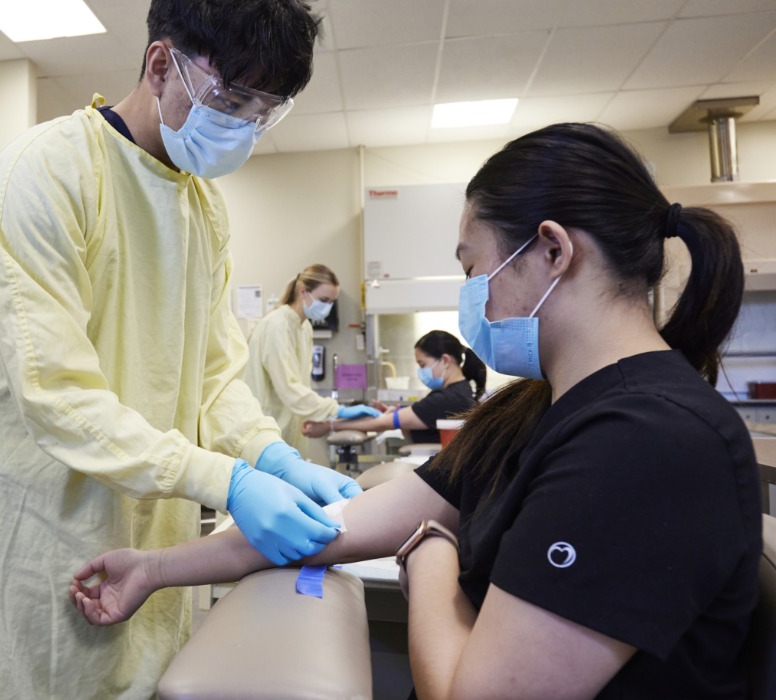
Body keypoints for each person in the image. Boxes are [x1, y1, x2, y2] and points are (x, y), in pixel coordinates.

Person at [71, 123, 761, 699]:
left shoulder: (648, 443)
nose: (471, 297)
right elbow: (334, 527)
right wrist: (157, 568)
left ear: (552, 250)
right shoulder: (530, 410)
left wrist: (432, 554)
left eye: (471, 269)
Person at [0, 1, 361, 697]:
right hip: (38, 517)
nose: (243, 128)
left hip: (155, 510)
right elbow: (56, 394)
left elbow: (214, 376)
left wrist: (267, 454)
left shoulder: (202, 206)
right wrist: (228, 483)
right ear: (161, 64)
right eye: (232, 99)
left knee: (148, 673)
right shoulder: (44, 173)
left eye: (263, 113)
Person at [244, 264, 379, 453]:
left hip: (287, 427)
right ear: (302, 292)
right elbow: (289, 388)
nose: (328, 307)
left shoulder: (304, 327)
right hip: (266, 428)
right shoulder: (277, 325)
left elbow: (300, 385)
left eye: (332, 302)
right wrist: (336, 410)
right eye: (324, 300)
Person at [301, 329, 484, 444]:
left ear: (445, 360)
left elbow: (382, 423)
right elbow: (416, 416)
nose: (421, 371)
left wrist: (328, 426)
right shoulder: (459, 391)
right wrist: (395, 411)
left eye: (422, 364)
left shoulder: (448, 398)